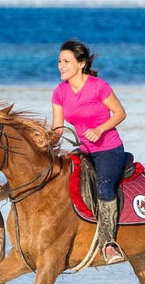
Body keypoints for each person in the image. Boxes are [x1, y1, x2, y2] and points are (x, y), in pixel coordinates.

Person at [51, 39, 126, 264]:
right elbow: (57, 129)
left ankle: (108, 244)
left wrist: (100, 129)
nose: (61, 66)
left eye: (66, 61)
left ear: (81, 64)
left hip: (108, 148)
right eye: (59, 61)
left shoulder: (98, 86)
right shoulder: (59, 92)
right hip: (83, 149)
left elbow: (120, 113)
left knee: (104, 187)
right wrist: (45, 142)